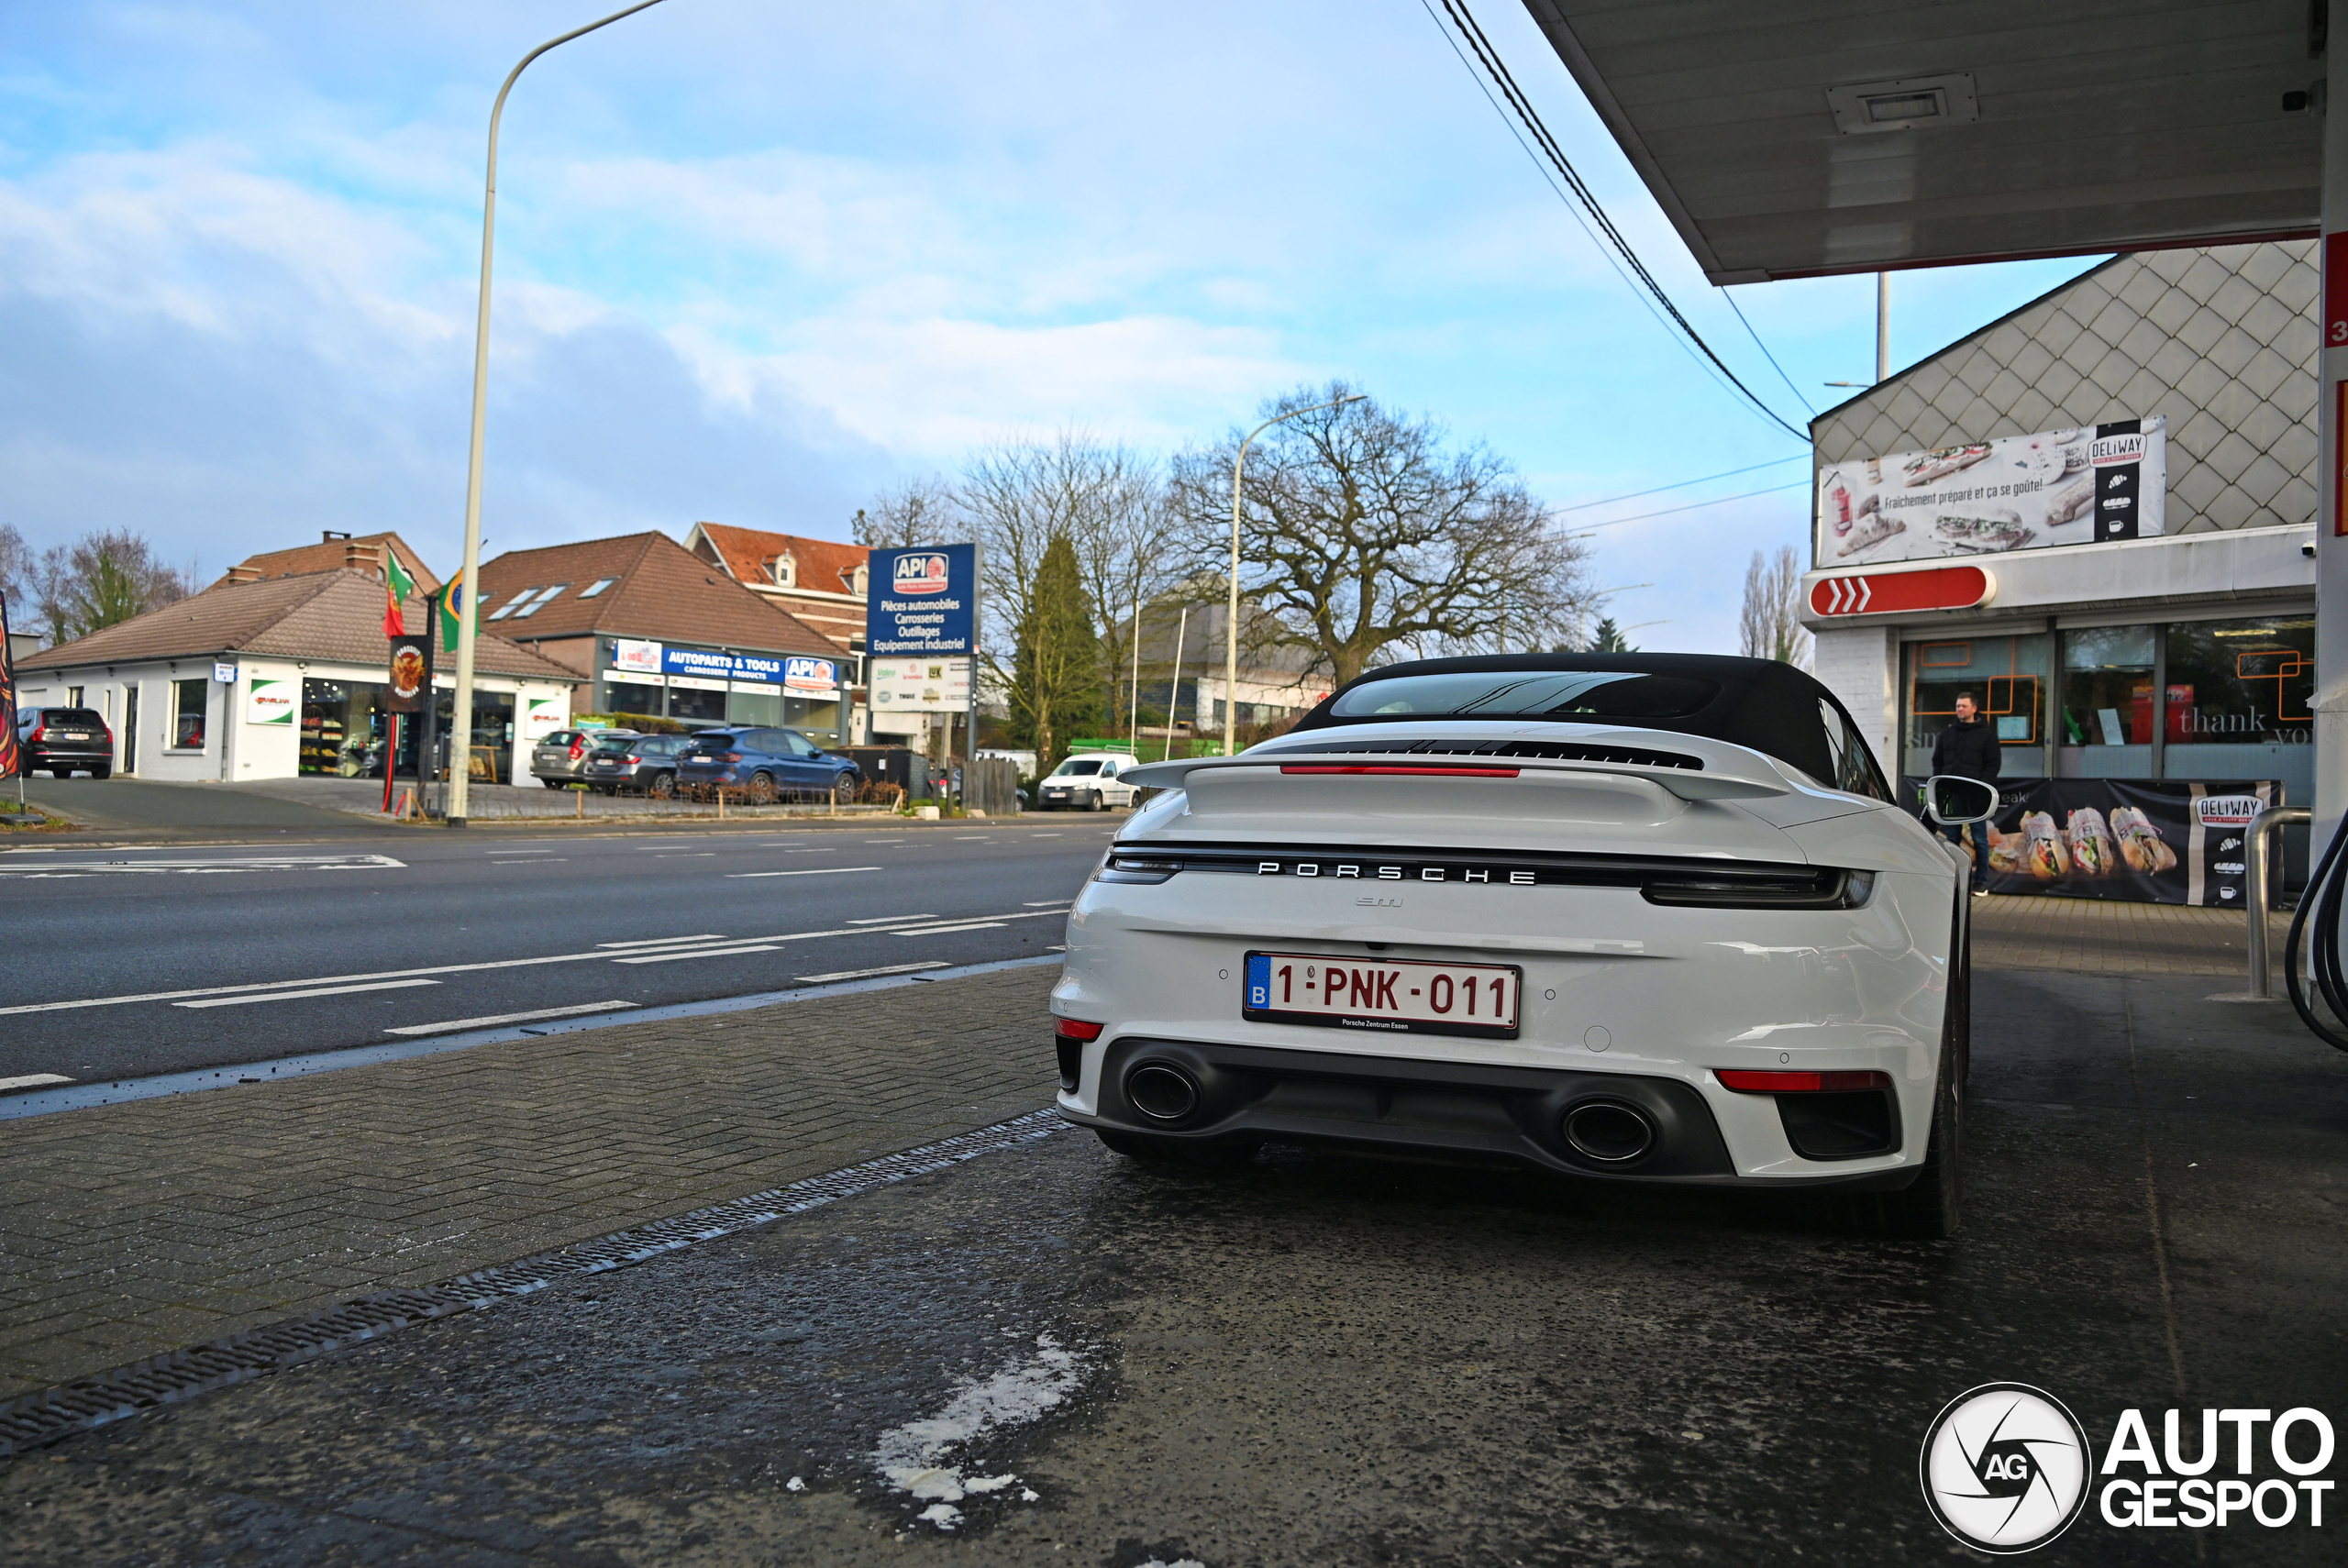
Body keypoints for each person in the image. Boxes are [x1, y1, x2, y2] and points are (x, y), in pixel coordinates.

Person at [1930, 691, 1999, 896]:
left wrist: (1982, 787)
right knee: (1951, 839)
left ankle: (1981, 883)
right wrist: (1941, 784)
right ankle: (1953, 880)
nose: (1959, 709)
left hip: (1976, 795)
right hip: (1952, 795)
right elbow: (1937, 761)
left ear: (1974, 708)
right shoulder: (1947, 734)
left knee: (1980, 839)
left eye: (1963, 706)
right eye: (1958, 706)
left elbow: (1993, 764)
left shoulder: (1987, 735)